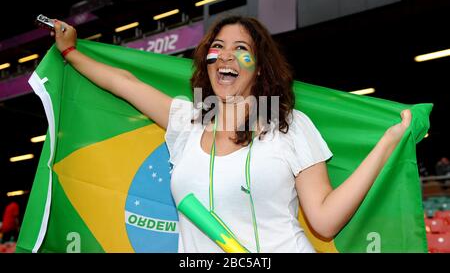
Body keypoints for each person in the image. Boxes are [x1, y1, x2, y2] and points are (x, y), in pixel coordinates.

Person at [52, 15, 411, 253]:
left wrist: (387, 144)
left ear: (259, 68)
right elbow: (123, 83)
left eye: (242, 50)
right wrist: (69, 50)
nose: (226, 56)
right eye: (217, 47)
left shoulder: (288, 124)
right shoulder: (187, 122)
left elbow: (324, 221)